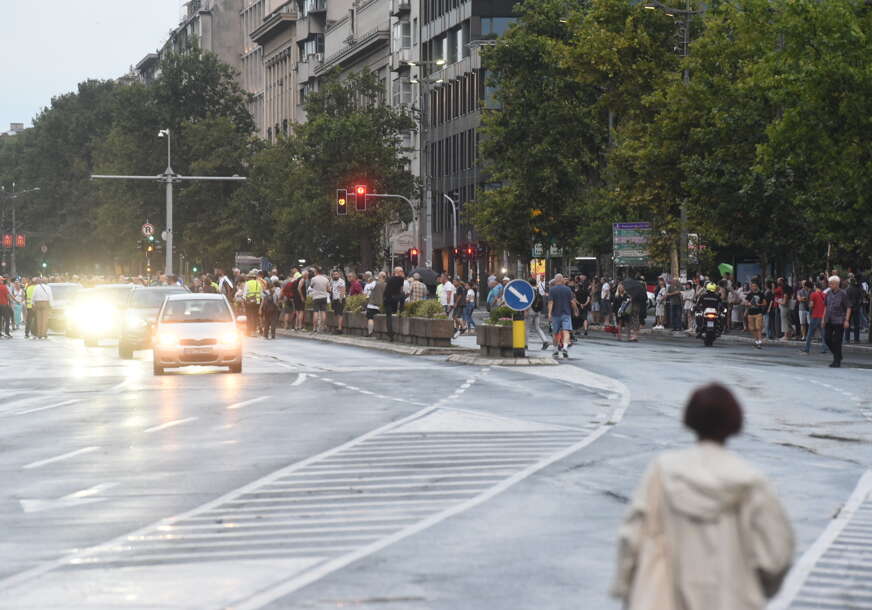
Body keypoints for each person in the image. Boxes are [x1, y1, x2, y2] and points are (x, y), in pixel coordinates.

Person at [611, 383, 794, 610]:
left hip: (664, 598)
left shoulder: (663, 471)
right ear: (734, 422)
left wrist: (629, 589)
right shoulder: (750, 481)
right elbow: (776, 553)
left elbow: (632, 535)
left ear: (690, 419)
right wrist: (757, 588)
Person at [824, 275, 851, 368]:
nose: (829, 285)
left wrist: (846, 320)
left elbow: (848, 307)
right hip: (829, 319)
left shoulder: (843, 293)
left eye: (831, 283)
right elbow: (826, 307)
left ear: (836, 284)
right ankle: (838, 355)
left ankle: (836, 361)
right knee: (827, 338)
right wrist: (823, 319)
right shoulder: (828, 293)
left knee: (837, 341)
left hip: (839, 320)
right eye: (829, 283)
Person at [547, 273, 575, 359]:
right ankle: (565, 348)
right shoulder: (568, 289)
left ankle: (555, 350)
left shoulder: (552, 290)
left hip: (556, 314)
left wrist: (549, 313)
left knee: (555, 333)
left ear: (555, 280)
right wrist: (576, 310)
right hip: (566, 314)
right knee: (566, 332)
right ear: (562, 280)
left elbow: (551, 302)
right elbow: (572, 301)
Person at [802, 281, 828, 355]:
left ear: (815, 287)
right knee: (823, 334)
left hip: (815, 316)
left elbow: (811, 305)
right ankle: (824, 348)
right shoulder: (824, 295)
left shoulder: (813, 294)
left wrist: (809, 306)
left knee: (810, 333)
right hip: (822, 316)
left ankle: (807, 349)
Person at [527, 278, 550, 350]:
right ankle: (545, 341)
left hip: (530, 310)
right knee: (537, 327)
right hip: (537, 311)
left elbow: (527, 301)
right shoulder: (538, 290)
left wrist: (526, 311)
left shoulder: (529, 290)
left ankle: (525, 344)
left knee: (527, 328)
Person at [383, 267, 405, 342]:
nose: (402, 273)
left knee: (388, 317)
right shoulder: (401, 279)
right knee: (402, 296)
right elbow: (401, 290)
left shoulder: (390, 279)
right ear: (398, 272)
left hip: (387, 299)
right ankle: (401, 311)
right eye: (401, 271)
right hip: (393, 298)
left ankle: (390, 334)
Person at [744, 280, 767, 349]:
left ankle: (759, 341)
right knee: (752, 328)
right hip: (750, 313)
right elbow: (745, 302)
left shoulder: (761, 294)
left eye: (755, 286)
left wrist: (759, 304)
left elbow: (765, 303)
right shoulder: (749, 294)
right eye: (752, 286)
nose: (753, 287)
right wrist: (748, 304)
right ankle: (756, 340)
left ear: (757, 287)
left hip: (758, 313)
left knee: (758, 328)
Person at [308, 267, 330, 333]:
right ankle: (322, 327)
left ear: (317, 272)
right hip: (324, 297)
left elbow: (311, 286)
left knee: (315, 312)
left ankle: (314, 328)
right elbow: (329, 289)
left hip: (316, 297)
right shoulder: (326, 279)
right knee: (323, 312)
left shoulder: (313, 279)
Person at [366, 272, 386, 337]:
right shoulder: (386, 284)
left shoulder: (375, 283)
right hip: (380, 305)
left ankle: (370, 332)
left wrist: (372, 280)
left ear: (380, 277)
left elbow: (368, 288)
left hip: (372, 304)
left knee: (370, 318)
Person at [242, 270, 261, 337]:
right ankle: (254, 331)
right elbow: (260, 294)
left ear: (250, 277)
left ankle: (248, 332)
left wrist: (243, 301)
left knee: (249, 317)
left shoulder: (247, 283)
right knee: (255, 317)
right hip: (257, 302)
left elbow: (244, 294)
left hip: (249, 303)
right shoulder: (258, 283)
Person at [331, 270, 347, 334]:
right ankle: (337, 327)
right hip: (334, 299)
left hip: (340, 299)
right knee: (336, 314)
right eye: (334, 274)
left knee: (339, 314)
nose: (335, 275)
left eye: (336, 274)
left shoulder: (341, 281)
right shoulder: (332, 281)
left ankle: (340, 329)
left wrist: (340, 299)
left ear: (339, 275)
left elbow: (343, 290)